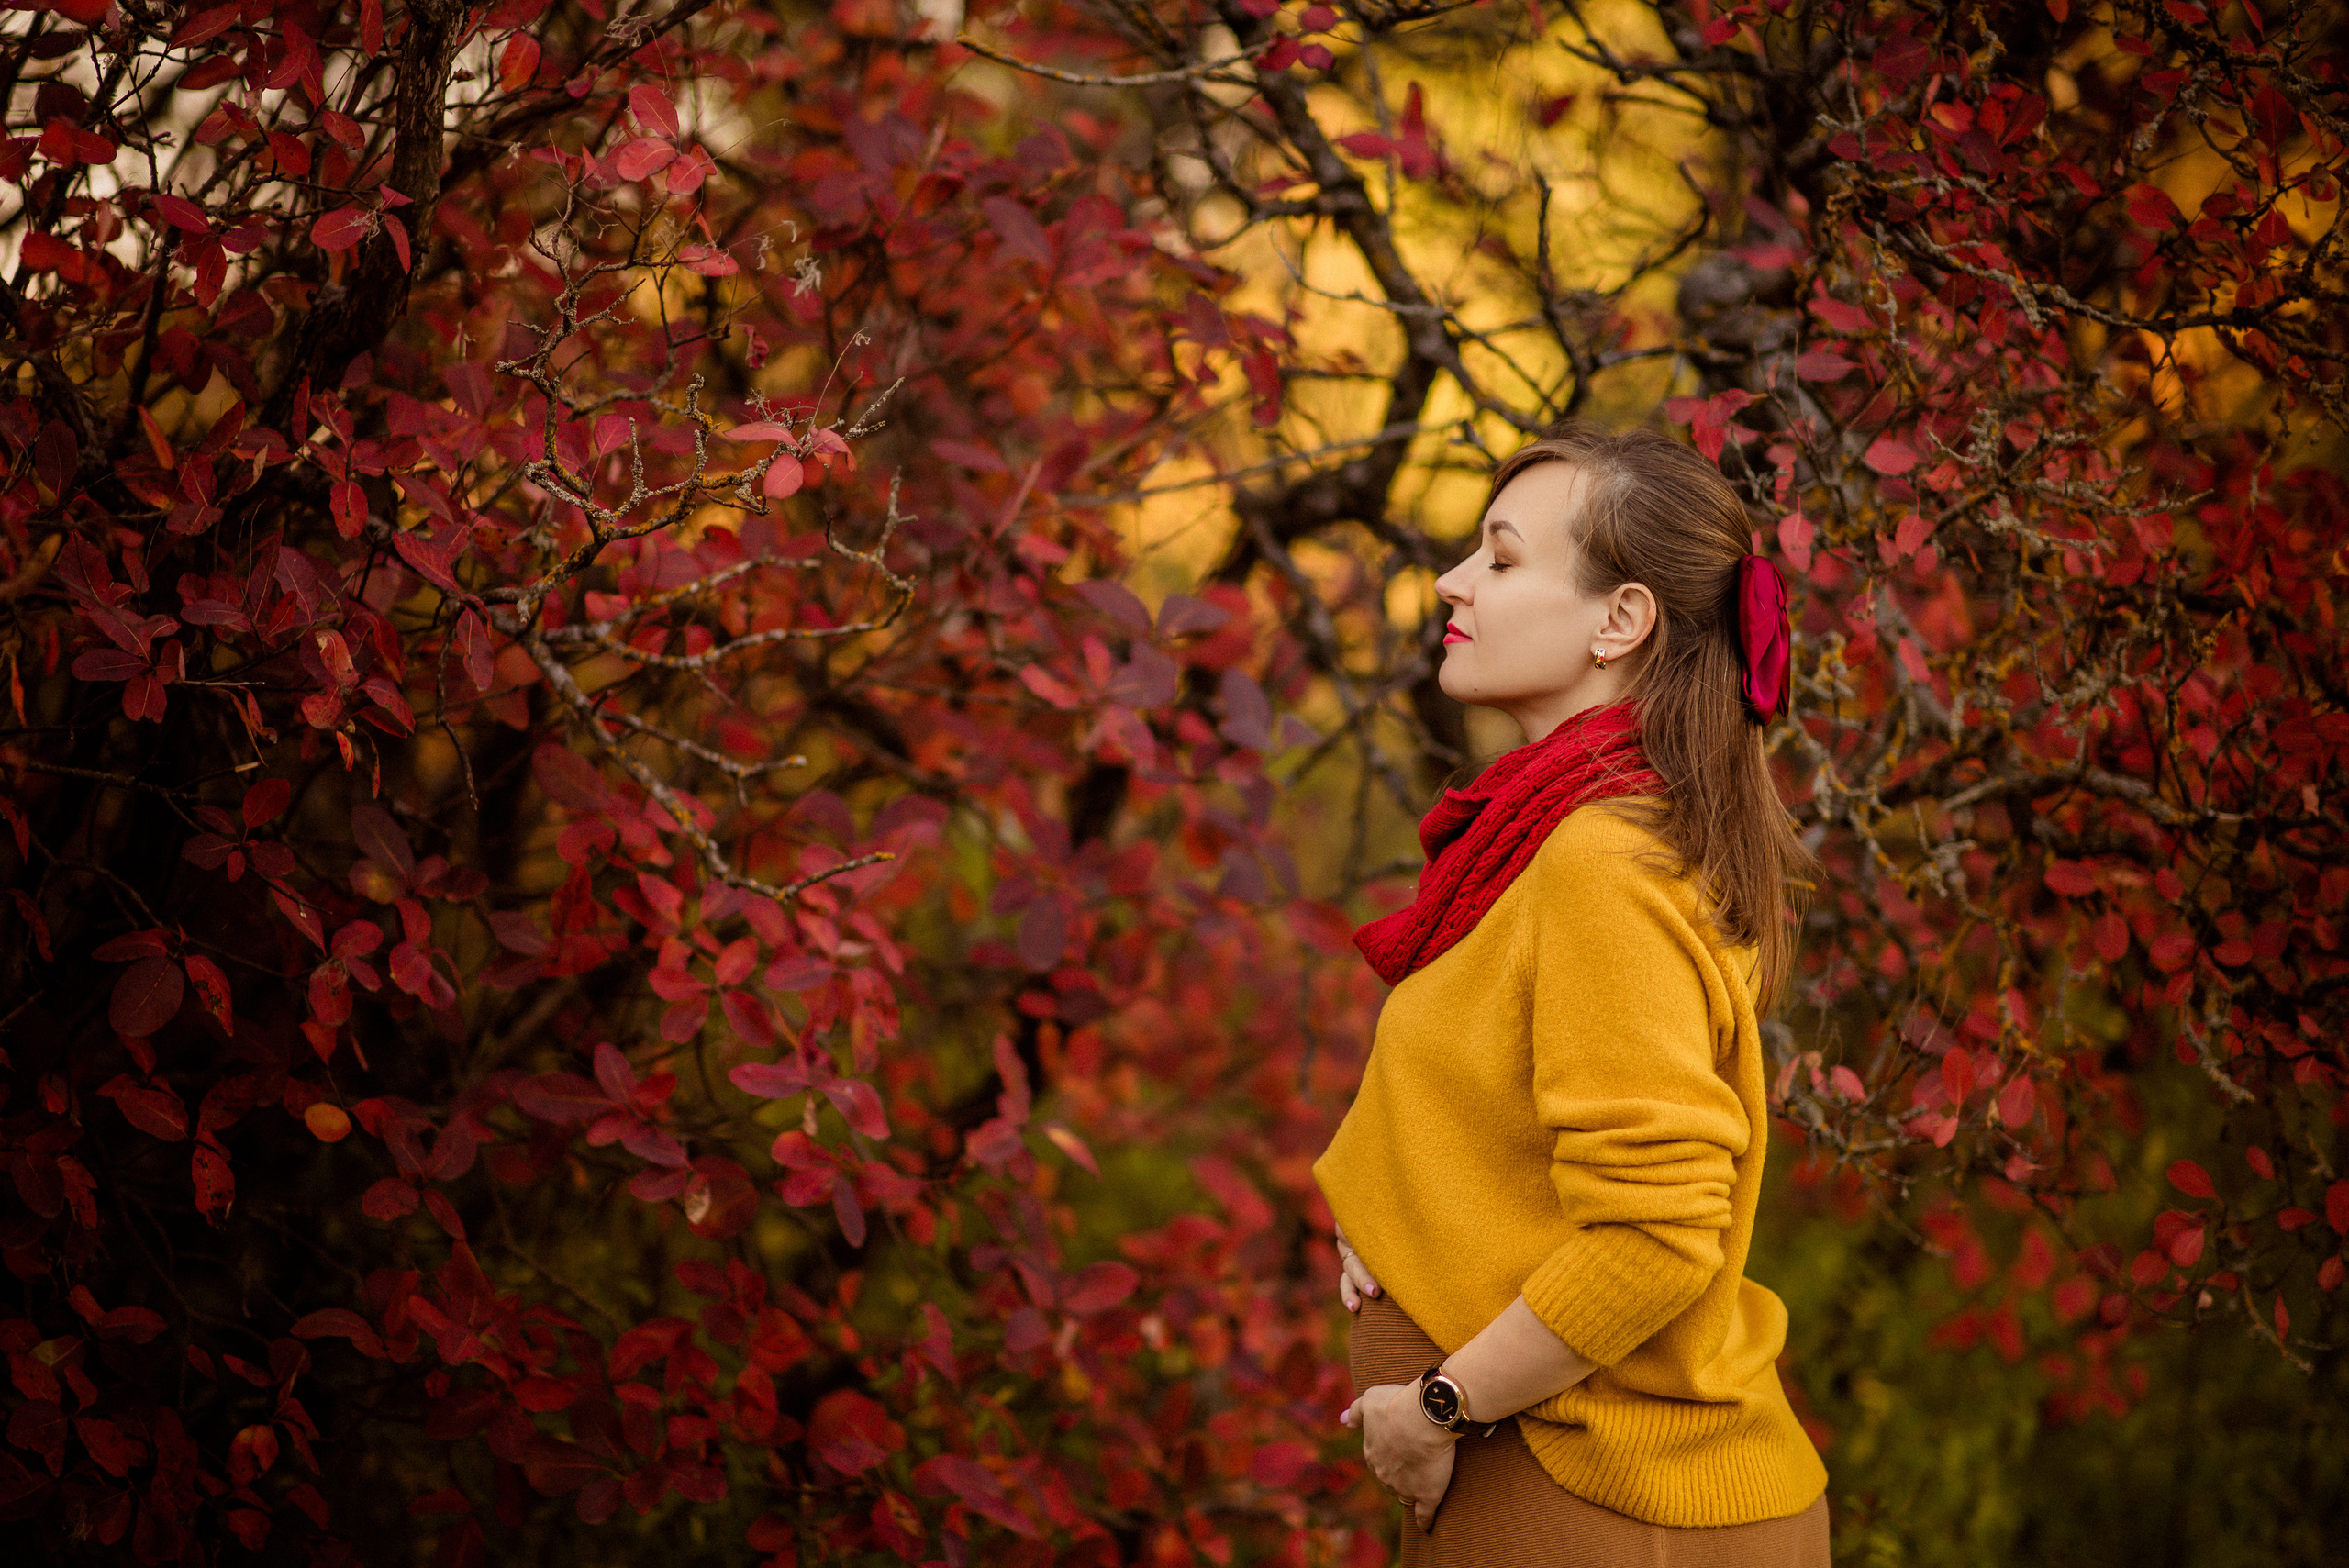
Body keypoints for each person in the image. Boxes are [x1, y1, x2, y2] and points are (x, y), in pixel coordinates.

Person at [1312, 420, 1831, 1565]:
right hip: (1569, 1485)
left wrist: (1440, 1403)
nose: (1453, 579)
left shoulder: (1602, 862)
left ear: (1619, 620)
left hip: (1596, 1498)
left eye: (1500, 558)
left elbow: (1654, 1232)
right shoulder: (1563, 838)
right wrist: (1399, 1225)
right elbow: (1509, 1128)